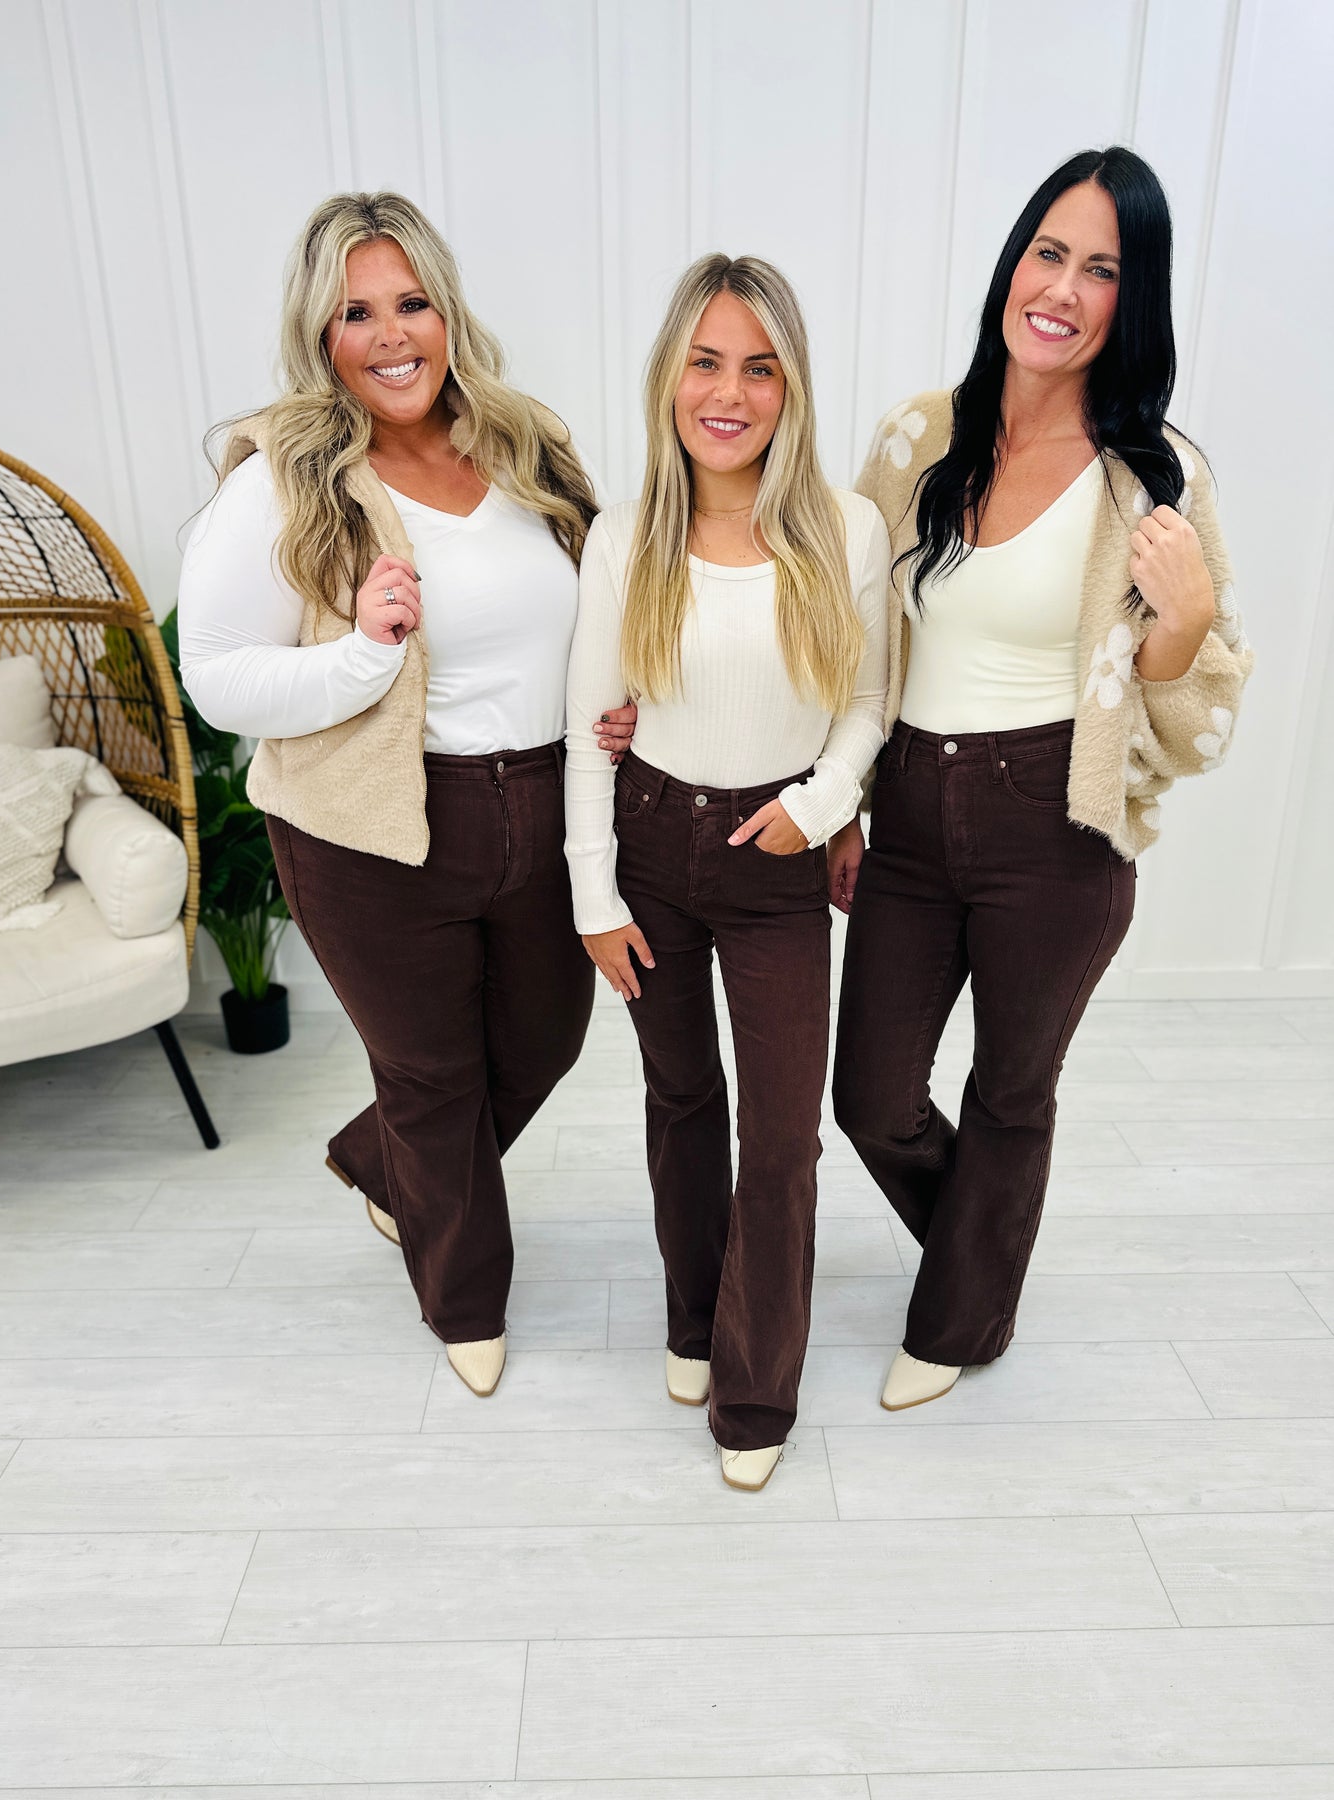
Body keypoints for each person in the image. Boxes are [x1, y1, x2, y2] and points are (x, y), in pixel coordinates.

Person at [178, 191, 634, 1398]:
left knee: (543, 1042)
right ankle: (464, 1298)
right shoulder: (284, 479)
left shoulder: (525, 443)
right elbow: (215, 677)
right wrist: (362, 655)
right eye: (356, 313)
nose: (390, 336)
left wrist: (619, 699)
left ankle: (384, 1170)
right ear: (320, 333)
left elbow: (595, 602)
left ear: (447, 312)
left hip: (542, 801)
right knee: (432, 1076)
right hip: (369, 825)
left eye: (411, 303)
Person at [831, 146, 1253, 1411]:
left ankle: (960, 1321)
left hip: (1056, 823)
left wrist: (1182, 627)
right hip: (909, 806)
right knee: (871, 1099)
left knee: (1013, 1095)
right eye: (1048, 253)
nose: (1063, 288)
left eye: (1102, 269)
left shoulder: (1157, 474)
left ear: (1136, 297)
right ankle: (987, 1255)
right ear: (1013, 265)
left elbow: (1202, 707)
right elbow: (843, 628)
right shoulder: (920, 436)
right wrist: (837, 799)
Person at [565, 254, 888, 1490]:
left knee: (784, 1136)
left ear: (790, 387)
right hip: (651, 845)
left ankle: (757, 1390)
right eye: (706, 362)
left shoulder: (845, 530)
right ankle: (695, 1320)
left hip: (777, 858)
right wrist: (594, 897)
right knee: (683, 1100)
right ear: (670, 377)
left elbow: (867, 703)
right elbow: (587, 728)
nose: (730, 393)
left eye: (760, 368)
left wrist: (819, 804)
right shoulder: (626, 536)